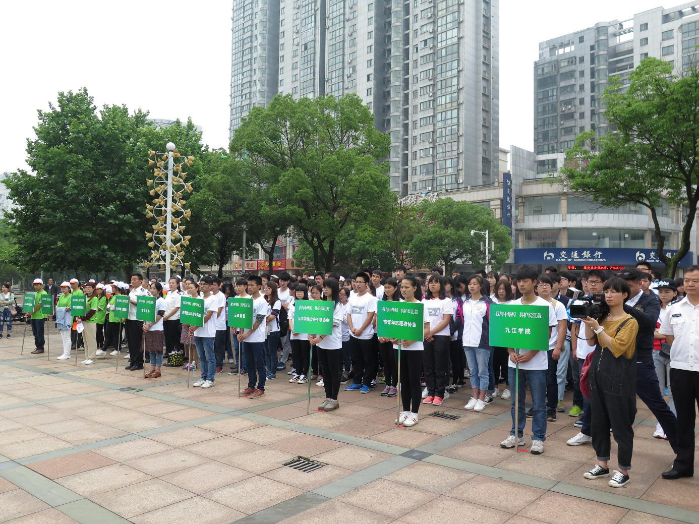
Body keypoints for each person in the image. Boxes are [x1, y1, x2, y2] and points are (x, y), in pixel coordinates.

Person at [581, 277, 639, 488]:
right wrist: (589, 322)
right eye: (606, 291)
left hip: (619, 380)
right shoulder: (603, 317)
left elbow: (616, 347)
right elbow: (590, 341)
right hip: (598, 377)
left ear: (624, 295)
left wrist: (598, 328)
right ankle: (602, 464)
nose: (609, 295)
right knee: (599, 422)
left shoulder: (630, 322)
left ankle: (623, 470)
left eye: (614, 291)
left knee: (621, 425)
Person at [500, 266, 557, 455]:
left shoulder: (544, 306)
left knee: (539, 403)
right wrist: (510, 352)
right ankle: (516, 434)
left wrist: (531, 354)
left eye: (525, 281)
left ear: (534, 283)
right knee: (516, 402)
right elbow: (506, 332)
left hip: (536, 363)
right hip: (514, 362)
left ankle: (538, 438)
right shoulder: (512, 306)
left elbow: (547, 334)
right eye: (519, 281)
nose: (521, 284)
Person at [621, 269, 678, 451]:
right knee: (602, 399)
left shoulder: (650, 300)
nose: (624, 290)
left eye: (629, 286)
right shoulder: (614, 298)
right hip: (616, 357)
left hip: (641, 358)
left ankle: (680, 447)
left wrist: (624, 307)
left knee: (656, 401)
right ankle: (588, 430)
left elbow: (649, 322)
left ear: (640, 284)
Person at [661, 265, 699, 480]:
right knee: (684, 420)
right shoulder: (674, 308)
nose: (690, 284)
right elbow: (669, 336)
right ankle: (684, 465)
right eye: (687, 280)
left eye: (696, 280)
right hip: (680, 370)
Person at [567, 269, 607, 446]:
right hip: (584, 350)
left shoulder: (608, 301)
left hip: (604, 350)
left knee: (600, 389)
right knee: (584, 386)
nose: (593, 285)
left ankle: (599, 423)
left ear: (603, 283)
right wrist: (574, 348)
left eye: (597, 282)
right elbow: (574, 327)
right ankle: (586, 420)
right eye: (590, 281)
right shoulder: (579, 301)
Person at [394, 276, 431, 427]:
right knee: (403, 381)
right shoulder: (397, 305)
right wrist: (392, 338)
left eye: (407, 287)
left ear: (415, 288)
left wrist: (413, 339)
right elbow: (393, 326)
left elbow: (427, 329)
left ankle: (414, 413)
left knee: (414, 380)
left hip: (415, 348)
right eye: (402, 287)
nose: (403, 290)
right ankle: (405, 411)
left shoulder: (421, 306)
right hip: (399, 347)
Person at [535, 275, 568, 422]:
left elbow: (562, 328)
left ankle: (551, 408)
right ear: (536, 288)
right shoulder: (532, 304)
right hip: (534, 348)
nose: (544, 287)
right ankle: (537, 406)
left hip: (550, 348)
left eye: (547, 285)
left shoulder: (557, 305)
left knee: (550, 379)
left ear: (552, 287)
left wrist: (558, 347)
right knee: (536, 380)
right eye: (541, 285)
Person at [310, 278, 344, 411]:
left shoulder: (338, 305)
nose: (325, 289)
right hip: (321, 344)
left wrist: (320, 337)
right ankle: (328, 397)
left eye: (328, 287)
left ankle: (334, 399)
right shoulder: (322, 304)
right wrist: (311, 334)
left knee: (334, 371)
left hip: (333, 343)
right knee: (325, 371)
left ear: (334, 289)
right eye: (324, 287)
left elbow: (334, 323)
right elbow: (315, 320)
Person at [462, 274, 493, 412]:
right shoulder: (465, 302)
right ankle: (474, 397)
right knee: (473, 371)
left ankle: (482, 398)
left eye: (475, 284)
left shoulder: (487, 303)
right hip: (467, 342)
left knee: (482, 372)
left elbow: (493, 323)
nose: (472, 286)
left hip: (482, 343)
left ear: (481, 286)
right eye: (470, 284)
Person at [652, 279, 678, 439]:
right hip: (655, 352)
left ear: (675, 293)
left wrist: (660, 333)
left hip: (674, 353)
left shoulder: (678, 309)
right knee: (658, 391)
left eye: (667, 291)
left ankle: (672, 426)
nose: (663, 294)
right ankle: (660, 425)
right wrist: (666, 334)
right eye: (661, 291)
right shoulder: (654, 309)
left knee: (673, 391)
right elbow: (650, 332)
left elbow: (678, 333)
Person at [422, 275, 453, 406]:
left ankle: (439, 394)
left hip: (441, 336)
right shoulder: (424, 301)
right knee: (428, 366)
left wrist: (432, 332)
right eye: (431, 282)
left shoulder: (446, 301)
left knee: (440, 366)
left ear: (441, 285)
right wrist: (426, 333)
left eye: (436, 282)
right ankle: (430, 392)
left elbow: (446, 320)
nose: (432, 285)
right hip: (426, 336)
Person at [345, 272, 378, 393]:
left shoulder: (371, 299)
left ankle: (367, 383)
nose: (357, 284)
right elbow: (349, 314)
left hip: (366, 335)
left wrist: (361, 329)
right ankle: (357, 382)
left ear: (366, 283)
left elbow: (370, 316)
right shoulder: (352, 297)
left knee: (368, 360)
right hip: (353, 334)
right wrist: (352, 328)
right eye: (356, 282)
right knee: (356, 359)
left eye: (360, 282)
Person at [238, 275, 267, 397]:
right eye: (248, 285)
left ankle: (261, 387)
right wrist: (240, 332)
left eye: (252, 285)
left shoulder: (262, 301)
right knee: (249, 363)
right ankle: (251, 385)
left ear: (259, 286)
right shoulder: (247, 300)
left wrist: (247, 333)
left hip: (257, 338)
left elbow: (258, 321)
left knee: (259, 364)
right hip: (246, 338)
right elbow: (242, 318)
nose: (249, 287)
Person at [193, 277, 217, 388]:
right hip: (198, 332)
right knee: (201, 356)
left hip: (208, 332)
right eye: (201, 284)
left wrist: (195, 326)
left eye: (205, 284)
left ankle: (210, 378)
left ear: (211, 286)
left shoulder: (213, 299)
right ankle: (203, 377)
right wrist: (190, 325)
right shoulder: (199, 299)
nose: (202, 286)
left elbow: (208, 315)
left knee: (209, 357)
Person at [377, 278, 400, 397]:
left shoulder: (400, 303)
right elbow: (378, 320)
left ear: (395, 288)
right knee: (385, 362)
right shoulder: (381, 303)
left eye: (389, 287)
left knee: (393, 362)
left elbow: (399, 322)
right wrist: (380, 335)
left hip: (394, 338)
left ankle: (394, 385)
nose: (387, 290)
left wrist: (391, 336)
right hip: (383, 337)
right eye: (385, 287)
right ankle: (387, 384)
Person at [491, 279, 512, 399]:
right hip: (495, 337)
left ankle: (508, 388)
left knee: (506, 364)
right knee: (495, 363)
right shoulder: (492, 302)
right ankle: (495, 387)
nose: (501, 291)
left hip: (508, 338)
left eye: (504, 289)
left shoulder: (513, 303)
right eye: (499, 289)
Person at [126, 274, 152, 371]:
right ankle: (133, 361)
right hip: (130, 318)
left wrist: (131, 301)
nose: (132, 281)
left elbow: (147, 304)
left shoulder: (144, 292)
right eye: (131, 279)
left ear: (140, 281)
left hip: (138, 319)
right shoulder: (132, 291)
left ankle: (139, 363)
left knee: (137, 343)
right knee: (131, 342)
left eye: (134, 279)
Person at [289, 284, 310, 384]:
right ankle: (297, 373)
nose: (299, 293)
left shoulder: (308, 304)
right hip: (294, 333)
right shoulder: (292, 304)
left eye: (301, 291)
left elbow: (307, 319)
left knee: (304, 354)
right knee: (296, 353)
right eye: (297, 291)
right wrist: (292, 329)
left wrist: (298, 330)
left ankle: (304, 374)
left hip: (304, 333)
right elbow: (290, 318)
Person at [144, 282, 166, 378]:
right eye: (151, 288)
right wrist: (145, 324)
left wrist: (150, 325)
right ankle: (152, 368)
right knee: (151, 349)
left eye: (154, 288)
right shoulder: (149, 300)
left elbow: (160, 315)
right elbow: (144, 313)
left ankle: (158, 370)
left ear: (159, 290)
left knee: (158, 350)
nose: (151, 290)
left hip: (157, 328)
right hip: (148, 328)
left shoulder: (161, 301)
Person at [264, 281, 281, 380]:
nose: (266, 290)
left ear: (273, 290)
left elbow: (273, 315)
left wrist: (262, 319)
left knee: (272, 351)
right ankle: (268, 370)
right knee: (266, 351)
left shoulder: (277, 301)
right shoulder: (263, 300)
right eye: (265, 288)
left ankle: (272, 372)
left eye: (268, 288)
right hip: (264, 329)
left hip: (273, 330)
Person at [162, 277, 182, 364]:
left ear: (177, 284)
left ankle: (175, 360)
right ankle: (170, 359)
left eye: (173, 283)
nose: (171, 284)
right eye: (170, 283)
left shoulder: (178, 295)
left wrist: (168, 316)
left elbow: (177, 308)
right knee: (168, 340)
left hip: (173, 320)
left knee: (174, 340)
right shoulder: (168, 293)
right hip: (166, 319)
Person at [29, 278, 48, 354]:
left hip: (40, 316)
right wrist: (29, 311)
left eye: (37, 285)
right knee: (35, 332)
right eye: (35, 285)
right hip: (33, 316)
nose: (36, 286)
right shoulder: (35, 294)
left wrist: (32, 312)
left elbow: (40, 304)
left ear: (41, 285)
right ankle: (37, 346)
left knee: (40, 332)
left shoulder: (44, 293)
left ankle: (41, 347)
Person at [56, 282, 72, 360]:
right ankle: (65, 352)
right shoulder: (61, 297)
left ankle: (67, 354)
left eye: (65, 288)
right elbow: (57, 306)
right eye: (62, 288)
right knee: (63, 336)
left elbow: (69, 308)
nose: (63, 289)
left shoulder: (71, 297)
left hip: (67, 318)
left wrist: (61, 309)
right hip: (61, 318)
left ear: (69, 288)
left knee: (66, 336)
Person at [92, 284, 108, 355]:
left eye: (99, 289)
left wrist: (92, 306)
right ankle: (97, 345)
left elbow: (99, 308)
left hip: (100, 318)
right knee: (97, 333)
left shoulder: (103, 298)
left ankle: (101, 346)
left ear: (102, 290)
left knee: (99, 332)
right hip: (96, 317)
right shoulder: (97, 297)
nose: (97, 290)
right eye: (96, 289)